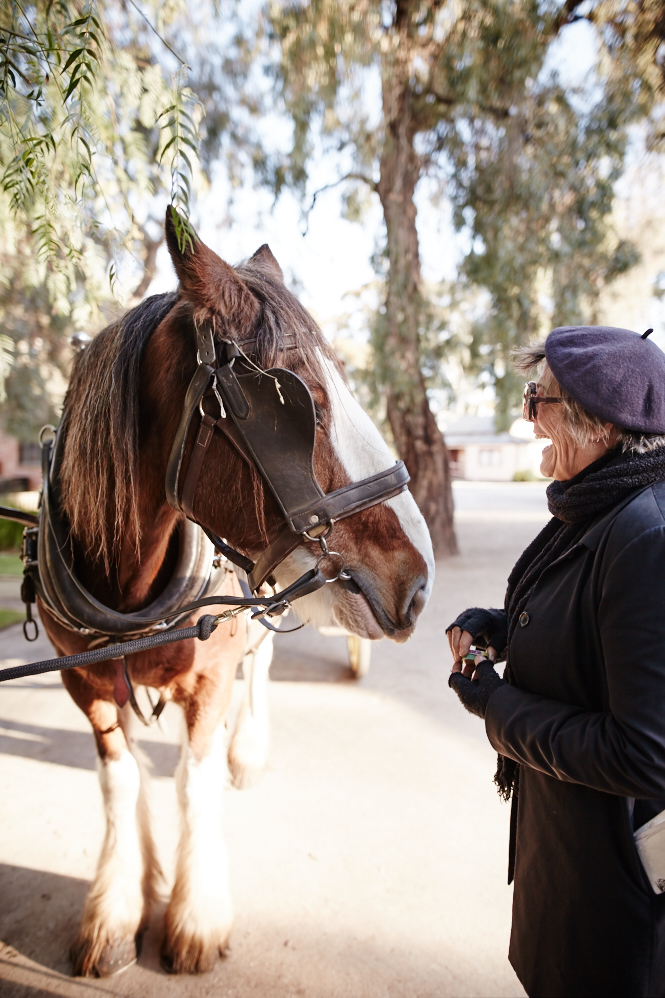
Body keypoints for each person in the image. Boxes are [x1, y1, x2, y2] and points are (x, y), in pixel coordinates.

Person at [447, 325, 665, 998]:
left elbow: (643, 753)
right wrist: (502, 629)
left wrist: (495, 706)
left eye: (536, 398)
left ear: (597, 425)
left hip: (610, 892)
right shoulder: (597, 502)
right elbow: (587, 625)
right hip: (570, 857)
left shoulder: (645, 534)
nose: (524, 414)